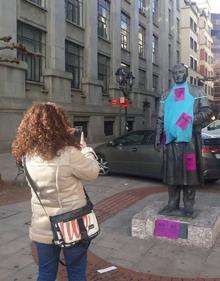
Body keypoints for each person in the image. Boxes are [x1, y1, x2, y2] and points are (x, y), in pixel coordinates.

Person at [11, 102, 100, 281]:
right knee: (76, 272)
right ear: (60, 124)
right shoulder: (68, 153)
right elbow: (93, 172)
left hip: (43, 227)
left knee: (45, 273)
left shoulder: (27, 156)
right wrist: (86, 149)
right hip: (72, 225)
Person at [154, 64, 212, 217]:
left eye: (181, 72)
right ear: (172, 75)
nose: (178, 75)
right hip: (171, 141)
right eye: (175, 72)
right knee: (171, 172)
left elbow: (207, 111)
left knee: (190, 173)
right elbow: (160, 117)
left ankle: (188, 204)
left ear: (186, 74)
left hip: (190, 142)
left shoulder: (197, 91)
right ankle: (172, 203)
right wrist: (157, 137)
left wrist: (189, 119)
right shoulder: (166, 95)